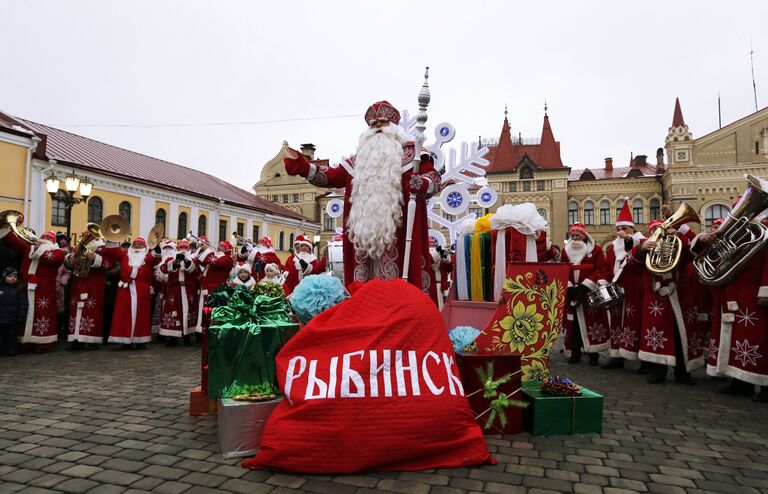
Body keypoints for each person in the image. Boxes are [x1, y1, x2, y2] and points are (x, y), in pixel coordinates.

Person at [283, 100, 442, 302]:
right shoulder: (358, 160)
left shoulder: (414, 155)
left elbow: (434, 180)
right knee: (363, 290)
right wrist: (305, 168)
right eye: (372, 124)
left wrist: (421, 182)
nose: (377, 127)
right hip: (362, 238)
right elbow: (331, 176)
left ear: (394, 127)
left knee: (397, 289)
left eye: (382, 123)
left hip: (398, 235)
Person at [695, 213, 768, 402]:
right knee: (737, 338)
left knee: (758, 338)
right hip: (731, 291)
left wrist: (765, 290)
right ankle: (741, 381)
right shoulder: (732, 234)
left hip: (753, 293)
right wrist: (703, 239)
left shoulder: (763, 231)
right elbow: (713, 257)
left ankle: (765, 384)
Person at [630, 219, 701, 384]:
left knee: (680, 333)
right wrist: (640, 250)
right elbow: (632, 263)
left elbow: (691, 254)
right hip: (655, 298)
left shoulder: (678, 244)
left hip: (679, 294)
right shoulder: (646, 246)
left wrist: (678, 236)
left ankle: (683, 372)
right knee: (656, 332)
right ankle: (657, 370)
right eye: (655, 230)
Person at [0, 229, 65, 352]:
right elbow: (15, 243)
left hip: (44, 287)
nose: (44, 239)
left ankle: (42, 342)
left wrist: (38, 248)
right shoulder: (30, 248)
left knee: (42, 313)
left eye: (47, 238)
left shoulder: (57, 252)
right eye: (43, 237)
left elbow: (51, 259)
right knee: (26, 311)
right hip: (26, 284)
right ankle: (26, 340)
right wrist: (4, 230)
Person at [603, 200, 646, 369]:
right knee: (617, 322)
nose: (620, 232)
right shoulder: (613, 246)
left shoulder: (642, 241)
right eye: (618, 229)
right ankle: (617, 355)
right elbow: (608, 266)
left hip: (636, 289)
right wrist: (604, 281)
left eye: (624, 228)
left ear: (632, 229)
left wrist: (629, 240)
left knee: (637, 322)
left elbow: (638, 255)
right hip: (617, 289)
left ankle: (643, 358)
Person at [561, 222, 610, 365]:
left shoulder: (596, 250)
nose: (575, 238)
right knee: (573, 324)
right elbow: (563, 269)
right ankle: (575, 352)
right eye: (573, 235)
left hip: (588, 292)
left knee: (591, 323)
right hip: (572, 293)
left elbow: (601, 268)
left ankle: (592, 354)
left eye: (578, 235)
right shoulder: (565, 251)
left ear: (584, 235)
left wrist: (585, 285)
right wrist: (569, 287)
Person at [64, 234, 115, 349]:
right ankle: (76, 340)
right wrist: (70, 258)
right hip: (78, 282)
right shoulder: (79, 247)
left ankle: (93, 340)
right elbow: (69, 264)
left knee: (93, 311)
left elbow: (109, 264)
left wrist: (95, 258)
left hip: (94, 284)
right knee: (75, 311)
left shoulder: (102, 248)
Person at [108, 237, 162, 349]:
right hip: (125, 288)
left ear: (145, 247)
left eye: (140, 244)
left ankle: (140, 340)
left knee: (142, 315)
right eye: (135, 244)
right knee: (123, 314)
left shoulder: (148, 257)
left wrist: (156, 245)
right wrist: (111, 238)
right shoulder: (125, 255)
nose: (137, 246)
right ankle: (124, 340)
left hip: (141, 289)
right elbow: (113, 252)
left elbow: (157, 257)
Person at [159, 239, 197, 345]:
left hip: (188, 290)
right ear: (177, 249)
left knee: (188, 311)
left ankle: (187, 336)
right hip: (174, 290)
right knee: (173, 310)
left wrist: (186, 261)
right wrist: (175, 262)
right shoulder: (171, 258)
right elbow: (163, 268)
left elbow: (194, 270)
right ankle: (172, 337)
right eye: (181, 248)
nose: (183, 250)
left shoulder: (192, 259)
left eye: (186, 248)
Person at [194, 239, 235, 333]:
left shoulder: (227, 259)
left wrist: (208, 249)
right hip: (206, 288)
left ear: (226, 248)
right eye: (218, 244)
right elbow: (200, 261)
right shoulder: (215, 257)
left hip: (215, 290)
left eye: (221, 245)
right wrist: (201, 250)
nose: (218, 246)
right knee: (202, 309)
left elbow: (216, 262)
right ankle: (202, 329)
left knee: (211, 310)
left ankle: (209, 330)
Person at [0, 267, 27, 356]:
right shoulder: (1, 289)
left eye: (15, 276)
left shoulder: (18, 290)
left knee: (12, 335)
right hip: (1, 317)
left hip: (13, 318)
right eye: (10, 276)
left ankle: (12, 349)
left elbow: (23, 304)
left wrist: (22, 316)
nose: (12, 278)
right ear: (4, 277)